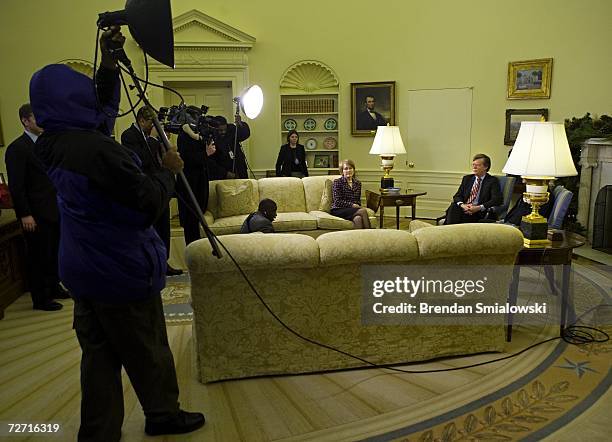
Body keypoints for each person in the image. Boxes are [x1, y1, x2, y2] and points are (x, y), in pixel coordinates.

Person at [29, 26, 205, 440]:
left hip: (81, 270)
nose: (91, 97)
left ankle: (98, 431)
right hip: (120, 270)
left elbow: (100, 114)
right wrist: (168, 170)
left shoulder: (51, 143)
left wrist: (109, 66)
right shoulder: (101, 151)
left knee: (98, 356)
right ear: (73, 101)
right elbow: (145, 203)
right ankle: (163, 415)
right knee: (149, 351)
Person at [4, 103, 68, 311]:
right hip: (35, 214)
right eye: (36, 117)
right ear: (25, 121)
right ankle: (41, 298)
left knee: (54, 252)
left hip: (55, 210)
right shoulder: (17, 148)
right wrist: (25, 214)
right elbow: (17, 186)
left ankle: (54, 286)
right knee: (38, 256)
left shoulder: (46, 144)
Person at [121, 106, 182, 276]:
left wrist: (164, 142)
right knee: (152, 229)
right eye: (151, 122)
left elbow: (164, 159)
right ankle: (151, 264)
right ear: (141, 120)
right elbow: (139, 159)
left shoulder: (153, 138)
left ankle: (164, 261)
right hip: (145, 189)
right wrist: (154, 140)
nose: (153, 125)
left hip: (160, 187)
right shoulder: (128, 136)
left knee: (164, 228)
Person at [176, 119, 217, 246]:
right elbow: (187, 159)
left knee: (196, 221)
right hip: (189, 185)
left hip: (199, 184)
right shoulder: (184, 136)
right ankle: (193, 252)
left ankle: (197, 249)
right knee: (190, 223)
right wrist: (205, 153)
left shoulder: (199, 135)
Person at [444, 153, 502, 224]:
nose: (474, 167)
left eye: (477, 165)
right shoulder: (467, 179)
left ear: (485, 167)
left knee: (454, 214)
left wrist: (478, 208)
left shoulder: (492, 181)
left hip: (478, 212)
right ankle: (450, 231)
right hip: (464, 209)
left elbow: (496, 200)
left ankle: (448, 231)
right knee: (454, 206)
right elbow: (457, 196)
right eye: (473, 165)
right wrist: (463, 205)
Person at [331, 159, 371, 229]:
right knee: (363, 211)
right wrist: (352, 205)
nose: (348, 170)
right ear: (342, 171)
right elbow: (337, 201)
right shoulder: (337, 182)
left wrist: (356, 205)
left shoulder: (358, 183)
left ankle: (359, 239)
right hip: (339, 209)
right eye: (346, 169)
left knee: (358, 218)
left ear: (353, 170)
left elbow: (357, 200)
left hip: (351, 210)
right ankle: (371, 234)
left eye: (350, 168)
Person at [211, 114, 250, 179]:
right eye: (220, 130)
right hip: (223, 172)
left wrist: (240, 123)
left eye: (225, 129)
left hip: (239, 167)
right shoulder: (211, 137)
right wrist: (225, 173)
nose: (223, 132)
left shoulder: (232, 129)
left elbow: (245, 134)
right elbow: (212, 161)